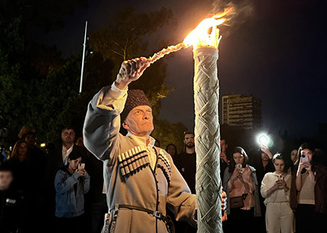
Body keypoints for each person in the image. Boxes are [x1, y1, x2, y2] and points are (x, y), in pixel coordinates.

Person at [83, 57, 208, 233]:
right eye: (138, 112)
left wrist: (208, 204)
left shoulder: (163, 156)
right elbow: (99, 125)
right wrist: (119, 85)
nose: (146, 115)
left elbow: (180, 198)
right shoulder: (115, 145)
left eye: (148, 111)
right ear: (124, 124)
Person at [290, 143, 327, 233]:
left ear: (313, 154)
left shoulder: (319, 168)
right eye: (303, 154)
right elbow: (298, 188)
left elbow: (316, 185)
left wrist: (310, 171)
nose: (306, 156)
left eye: (309, 153)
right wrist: (299, 170)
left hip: (315, 204)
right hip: (301, 204)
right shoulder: (295, 169)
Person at [223, 146, 261, 232]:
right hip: (234, 205)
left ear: (244, 157)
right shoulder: (228, 170)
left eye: (240, 157)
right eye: (235, 158)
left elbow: (253, 189)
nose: (238, 160)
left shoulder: (250, 170)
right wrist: (233, 177)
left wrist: (243, 179)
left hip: (248, 204)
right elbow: (226, 190)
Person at [54, 149, 90, 232]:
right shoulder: (61, 173)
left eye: (79, 162)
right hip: (64, 213)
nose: (77, 164)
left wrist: (86, 177)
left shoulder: (78, 174)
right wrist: (75, 176)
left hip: (78, 212)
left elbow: (85, 190)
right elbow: (60, 189)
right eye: (75, 161)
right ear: (69, 160)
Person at [261, 153, 294, 233]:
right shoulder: (268, 176)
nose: (279, 167)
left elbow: (293, 196)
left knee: (288, 230)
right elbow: (263, 194)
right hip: (272, 206)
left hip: (286, 205)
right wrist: (274, 187)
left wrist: (285, 187)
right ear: (273, 164)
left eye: (281, 165)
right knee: (272, 230)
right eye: (277, 164)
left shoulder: (289, 177)